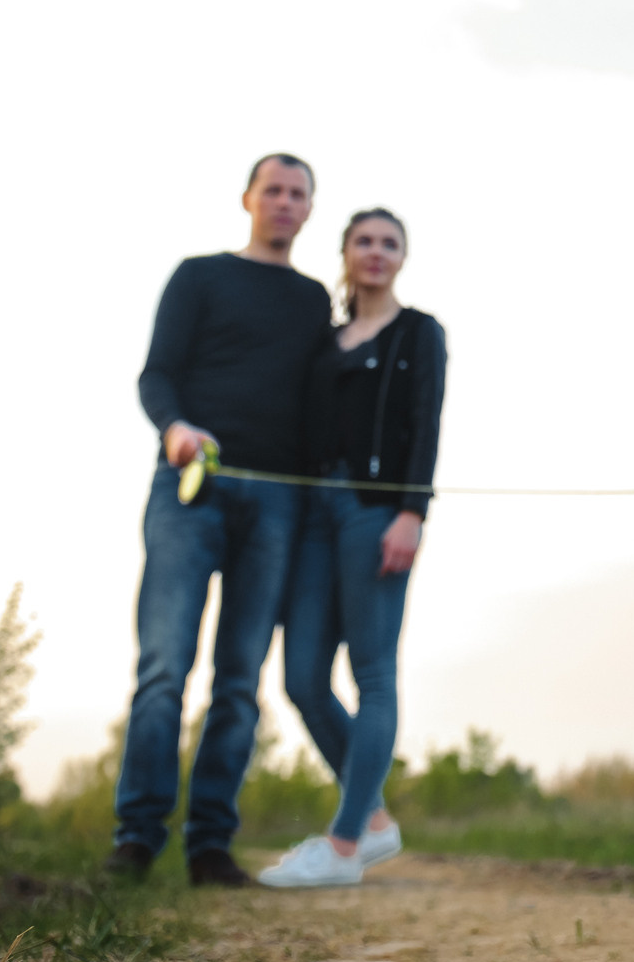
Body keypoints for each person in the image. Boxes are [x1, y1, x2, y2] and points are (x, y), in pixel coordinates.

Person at [107, 155, 337, 886]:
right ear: (248, 198)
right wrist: (175, 426)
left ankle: (210, 844)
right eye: (273, 188)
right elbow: (156, 373)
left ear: (308, 210)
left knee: (239, 678)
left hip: (277, 504)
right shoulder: (199, 275)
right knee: (164, 667)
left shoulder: (311, 301)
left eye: (298, 193)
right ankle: (136, 839)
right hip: (190, 489)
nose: (284, 201)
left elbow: (317, 405)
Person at [258, 207, 447, 888]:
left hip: (377, 513)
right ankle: (373, 820)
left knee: (372, 673)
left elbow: (425, 422)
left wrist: (412, 512)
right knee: (302, 676)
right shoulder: (325, 339)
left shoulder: (418, 333)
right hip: (315, 513)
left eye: (389, 242)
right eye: (364, 240)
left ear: (402, 257)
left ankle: (341, 847)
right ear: (344, 252)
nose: (376, 251)